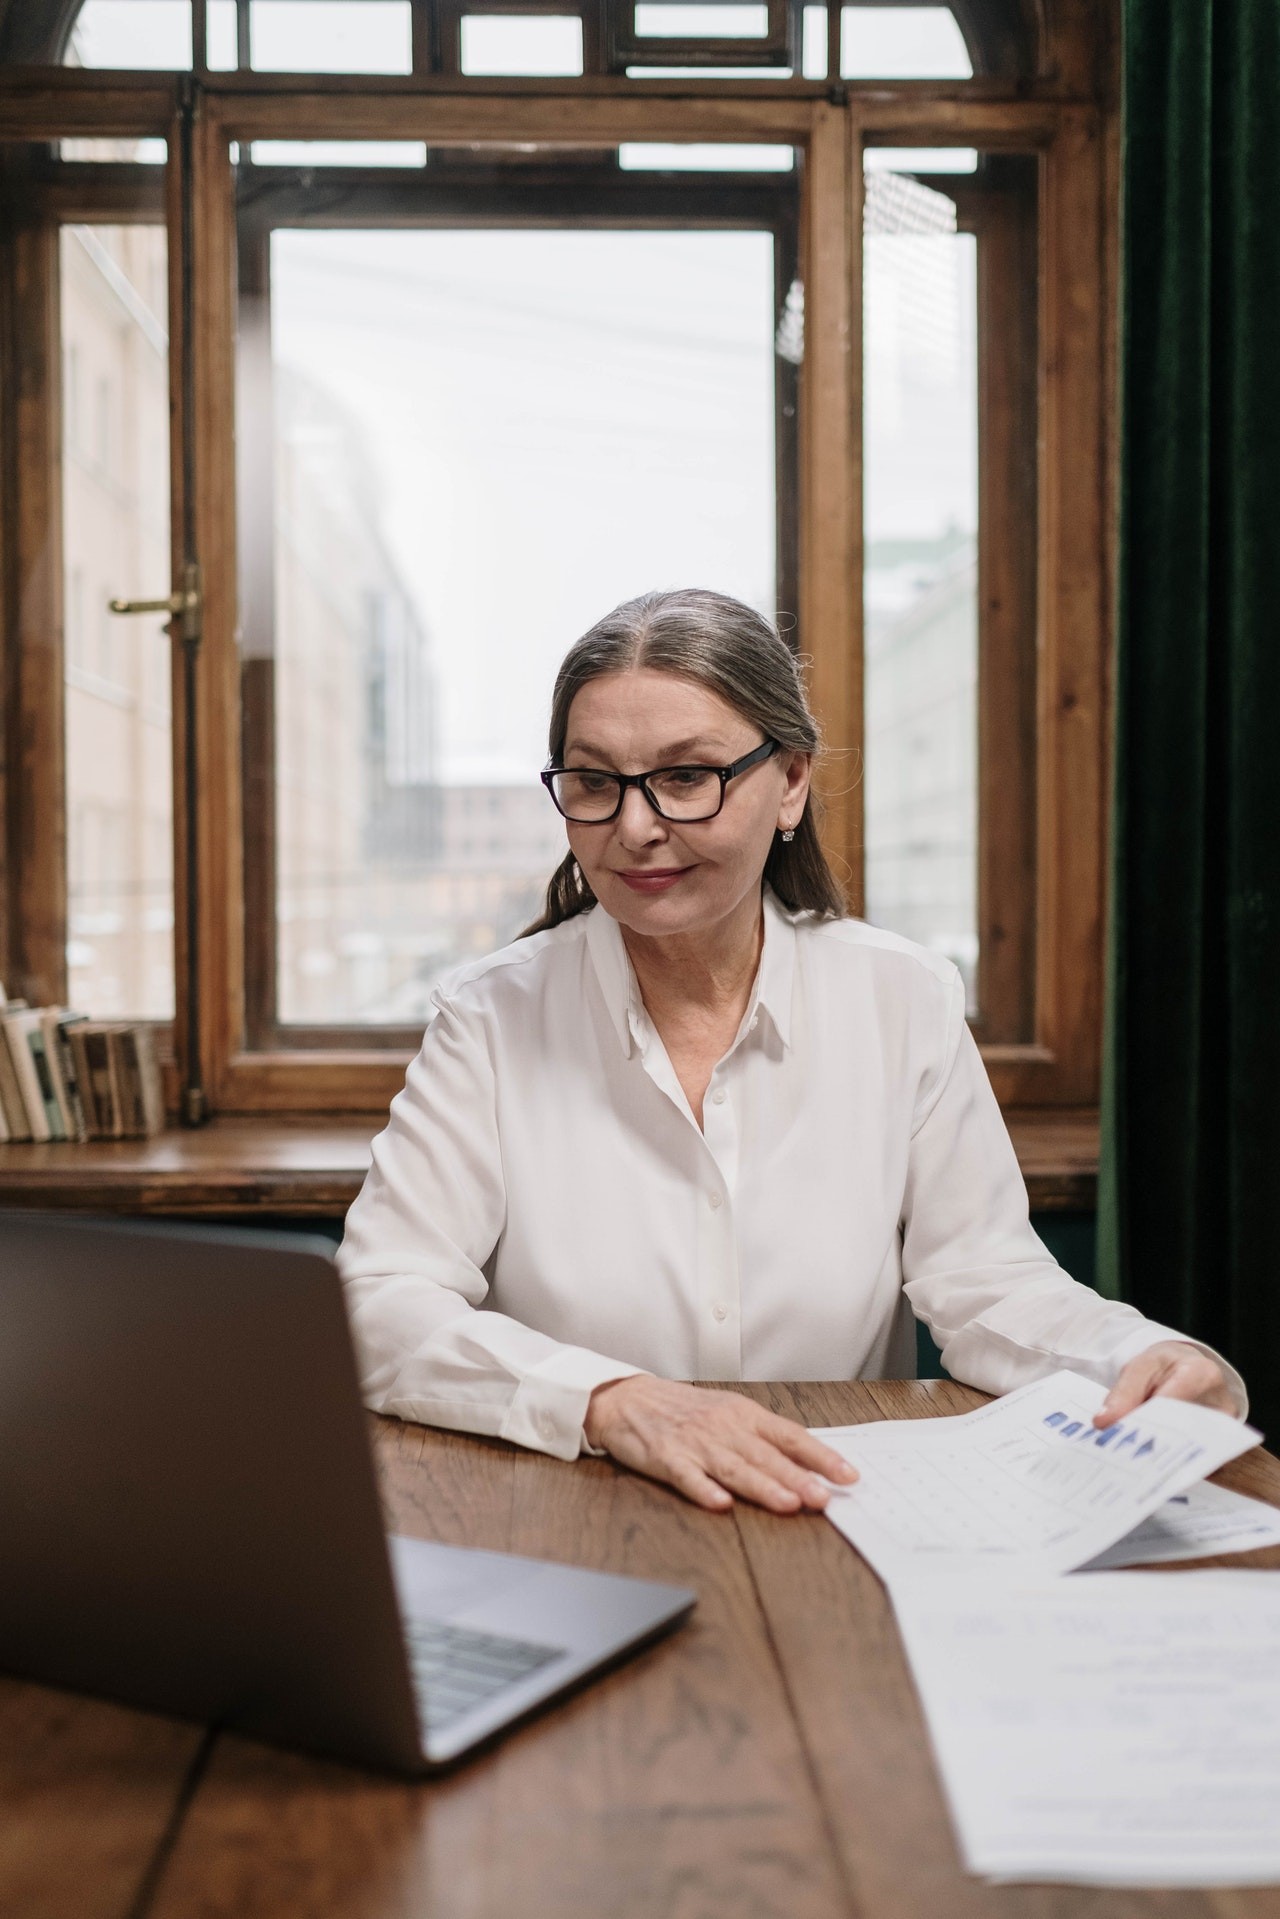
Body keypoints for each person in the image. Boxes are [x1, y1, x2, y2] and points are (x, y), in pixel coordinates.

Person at [337, 588, 1245, 1515]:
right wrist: (608, 1401)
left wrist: (1139, 1357)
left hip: (826, 1509)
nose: (635, 827)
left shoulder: (901, 997)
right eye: (595, 781)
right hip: (576, 1505)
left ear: (792, 783)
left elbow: (987, 1284)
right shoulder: (489, 1016)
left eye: (687, 776)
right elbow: (377, 1303)